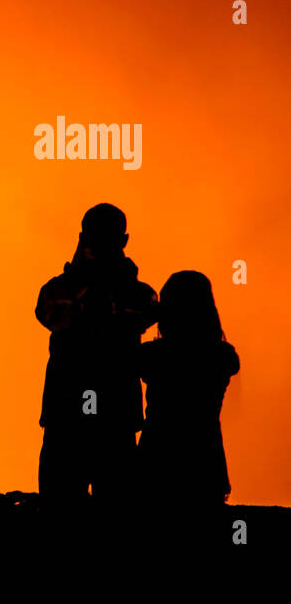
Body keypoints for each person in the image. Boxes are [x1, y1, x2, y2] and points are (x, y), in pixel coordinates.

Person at [35, 204, 157, 503]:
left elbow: (52, 313)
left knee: (64, 510)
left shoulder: (58, 291)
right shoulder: (140, 295)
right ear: (124, 240)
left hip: (74, 418)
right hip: (109, 419)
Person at [138, 271, 239, 506]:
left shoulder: (154, 355)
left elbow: (121, 358)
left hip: (155, 465)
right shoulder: (221, 356)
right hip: (204, 468)